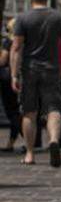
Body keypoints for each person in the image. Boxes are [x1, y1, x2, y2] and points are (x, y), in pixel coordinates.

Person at [11, 0, 61, 167]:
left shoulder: (23, 18)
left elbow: (16, 47)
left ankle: (29, 154)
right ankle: (53, 140)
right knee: (53, 109)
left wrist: (14, 74)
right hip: (52, 69)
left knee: (29, 111)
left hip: (29, 70)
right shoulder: (58, 17)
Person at [0, 19, 20, 153]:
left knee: (11, 111)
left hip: (7, 79)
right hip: (22, 77)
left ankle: (14, 140)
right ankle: (12, 142)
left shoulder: (8, 42)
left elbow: (3, 61)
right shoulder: (24, 41)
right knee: (19, 110)